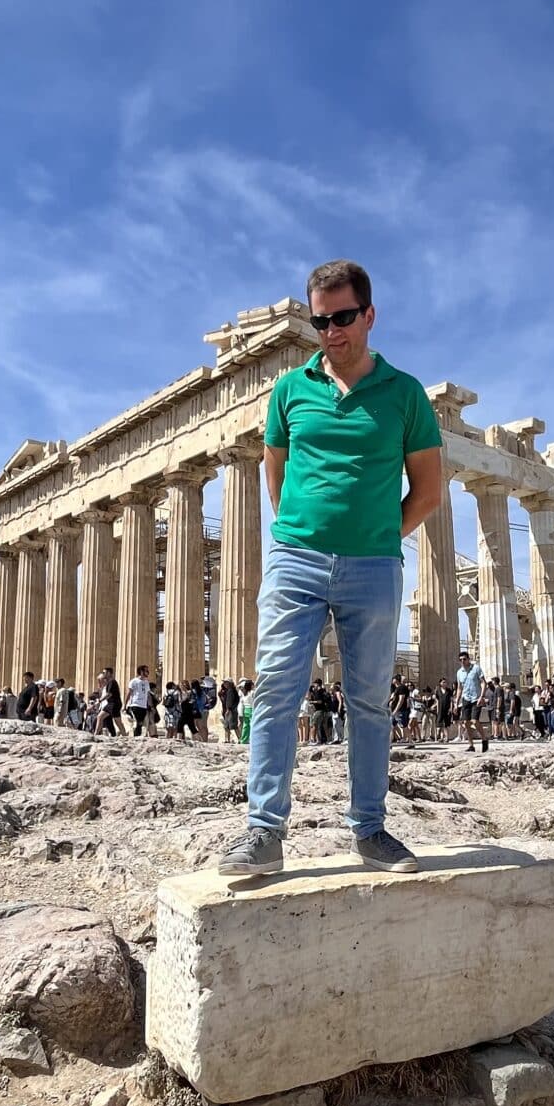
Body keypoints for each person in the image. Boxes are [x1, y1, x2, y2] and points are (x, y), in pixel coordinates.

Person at [219, 261, 442, 878]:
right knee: (275, 691)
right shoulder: (291, 390)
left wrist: (375, 535)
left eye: (343, 318)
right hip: (296, 558)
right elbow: (274, 468)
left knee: (369, 701)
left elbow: (427, 491)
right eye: (321, 321)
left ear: (369, 315)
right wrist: (297, 529)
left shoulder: (405, 393)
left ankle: (370, 830)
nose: (332, 331)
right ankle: (263, 831)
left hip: (373, 565)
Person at [455, 650, 487, 751]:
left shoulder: (476, 668)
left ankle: (484, 739)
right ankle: (471, 745)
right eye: (460, 660)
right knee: (466, 722)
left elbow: (483, 682)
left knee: (474, 720)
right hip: (466, 698)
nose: (463, 661)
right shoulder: (459, 672)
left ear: (468, 659)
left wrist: (482, 696)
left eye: (464, 659)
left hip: (476, 698)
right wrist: (456, 703)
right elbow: (459, 688)